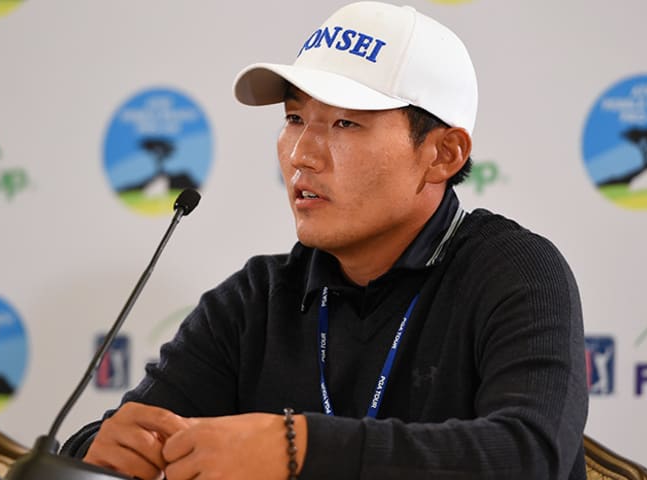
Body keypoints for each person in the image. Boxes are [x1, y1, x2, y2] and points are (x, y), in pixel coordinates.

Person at [62, 2, 588, 479]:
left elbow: (532, 456)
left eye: (344, 122)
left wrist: (301, 448)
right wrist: (95, 451)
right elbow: (132, 430)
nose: (301, 155)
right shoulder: (255, 301)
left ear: (442, 153)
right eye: (294, 118)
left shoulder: (516, 271)